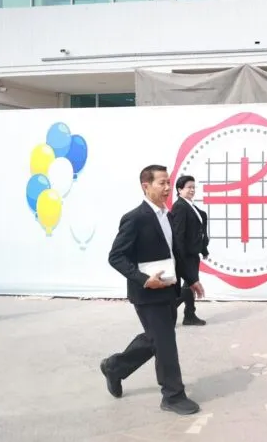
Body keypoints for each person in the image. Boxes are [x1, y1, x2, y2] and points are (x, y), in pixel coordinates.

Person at [99, 164, 205, 415]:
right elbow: (116, 257)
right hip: (147, 293)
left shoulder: (168, 216)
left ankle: (115, 367)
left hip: (169, 288)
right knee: (165, 343)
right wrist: (145, 279)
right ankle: (173, 395)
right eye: (162, 183)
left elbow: (176, 252)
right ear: (146, 186)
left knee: (155, 339)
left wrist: (191, 279)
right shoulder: (135, 218)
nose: (168, 187)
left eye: (169, 182)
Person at [170, 175, 209, 326]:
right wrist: (181, 256)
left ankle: (189, 314)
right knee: (190, 284)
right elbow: (178, 234)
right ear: (179, 190)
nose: (192, 190)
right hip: (185, 254)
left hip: (192, 253)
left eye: (193, 187)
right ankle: (170, 311)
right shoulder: (180, 206)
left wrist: (203, 249)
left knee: (189, 284)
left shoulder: (189, 205)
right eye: (189, 187)